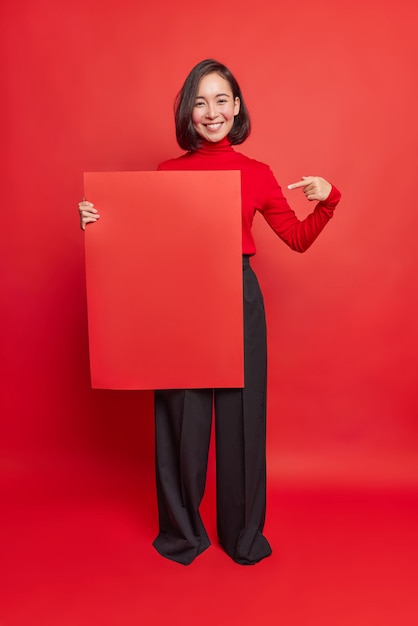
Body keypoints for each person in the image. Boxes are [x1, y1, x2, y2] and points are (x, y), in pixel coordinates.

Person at [78, 59, 341, 566]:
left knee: (244, 418)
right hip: (181, 298)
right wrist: (99, 222)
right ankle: (182, 534)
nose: (211, 111)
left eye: (221, 100)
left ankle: (242, 537)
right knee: (182, 418)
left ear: (237, 107)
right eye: (199, 101)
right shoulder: (166, 174)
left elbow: (298, 240)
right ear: (187, 111)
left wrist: (329, 202)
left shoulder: (259, 174)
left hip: (238, 294)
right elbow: (141, 249)